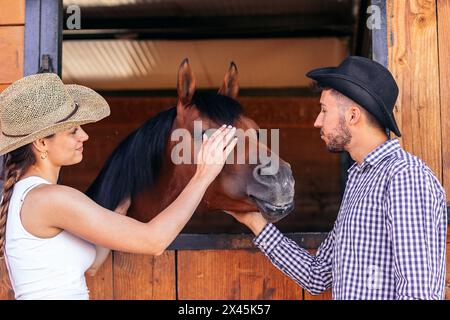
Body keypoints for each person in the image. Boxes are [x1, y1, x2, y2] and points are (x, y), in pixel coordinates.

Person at [227, 56, 448, 300]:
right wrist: (254, 221)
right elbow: (318, 275)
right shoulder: (360, 180)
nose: (316, 121)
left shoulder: (404, 178)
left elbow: (417, 294)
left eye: (324, 110)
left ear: (353, 116)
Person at [0, 73, 238, 300]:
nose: (84, 136)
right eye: (73, 131)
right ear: (41, 143)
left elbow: (91, 266)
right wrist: (203, 175)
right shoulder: (49, 198)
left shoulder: (28, 195)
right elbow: (154, 242)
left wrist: (117, 213)